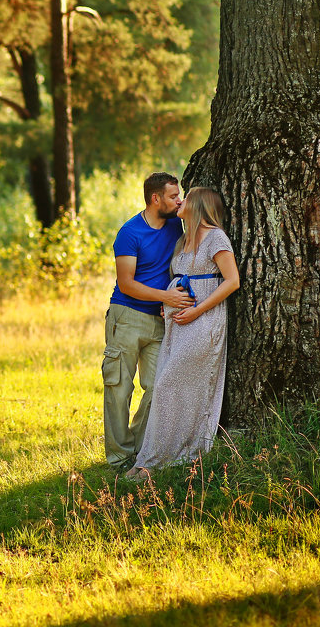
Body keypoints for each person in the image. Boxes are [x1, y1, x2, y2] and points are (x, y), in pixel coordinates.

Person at [126, 187, 240, 480]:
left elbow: (231, 281)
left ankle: (158, 460)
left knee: (166, 385)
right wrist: (167, 302)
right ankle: (156, 458)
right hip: (177, 323)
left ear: (199, 206)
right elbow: (179, 279)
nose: (180, 201)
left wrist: (198, 310)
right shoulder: (183, 240)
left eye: (185, 198)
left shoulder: (216, 237)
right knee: (171, 387)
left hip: (203, 322)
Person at [102, 172, 193, 472]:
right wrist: (166, 298)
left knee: (158, 388)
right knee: (119, 388)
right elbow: (126, 283)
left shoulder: (175, 225)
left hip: (158, 321)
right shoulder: (130, 232)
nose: (178, 200)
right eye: (172, 196)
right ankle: (119, 458)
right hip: (126, 317)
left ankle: (140, 450)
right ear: (156, 199)